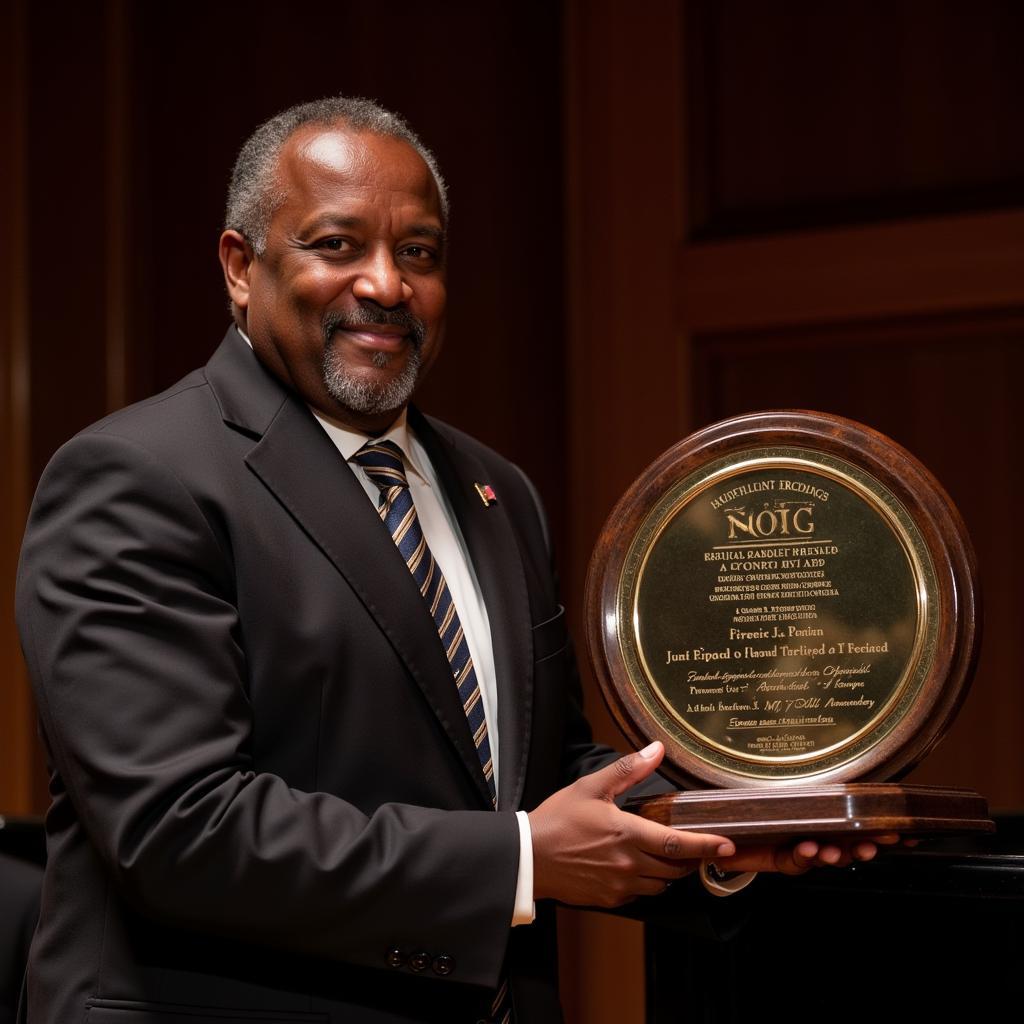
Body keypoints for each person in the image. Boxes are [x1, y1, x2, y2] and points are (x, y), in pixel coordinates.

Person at [16, 97, 886, 1024]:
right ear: (240, 267)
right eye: (337, 245)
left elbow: (542, 776)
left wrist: (729, 830)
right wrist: (519, 860)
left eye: (419, 253)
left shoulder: (495, 489)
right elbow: (177, 831)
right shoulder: (139, 476)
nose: (386, 285)